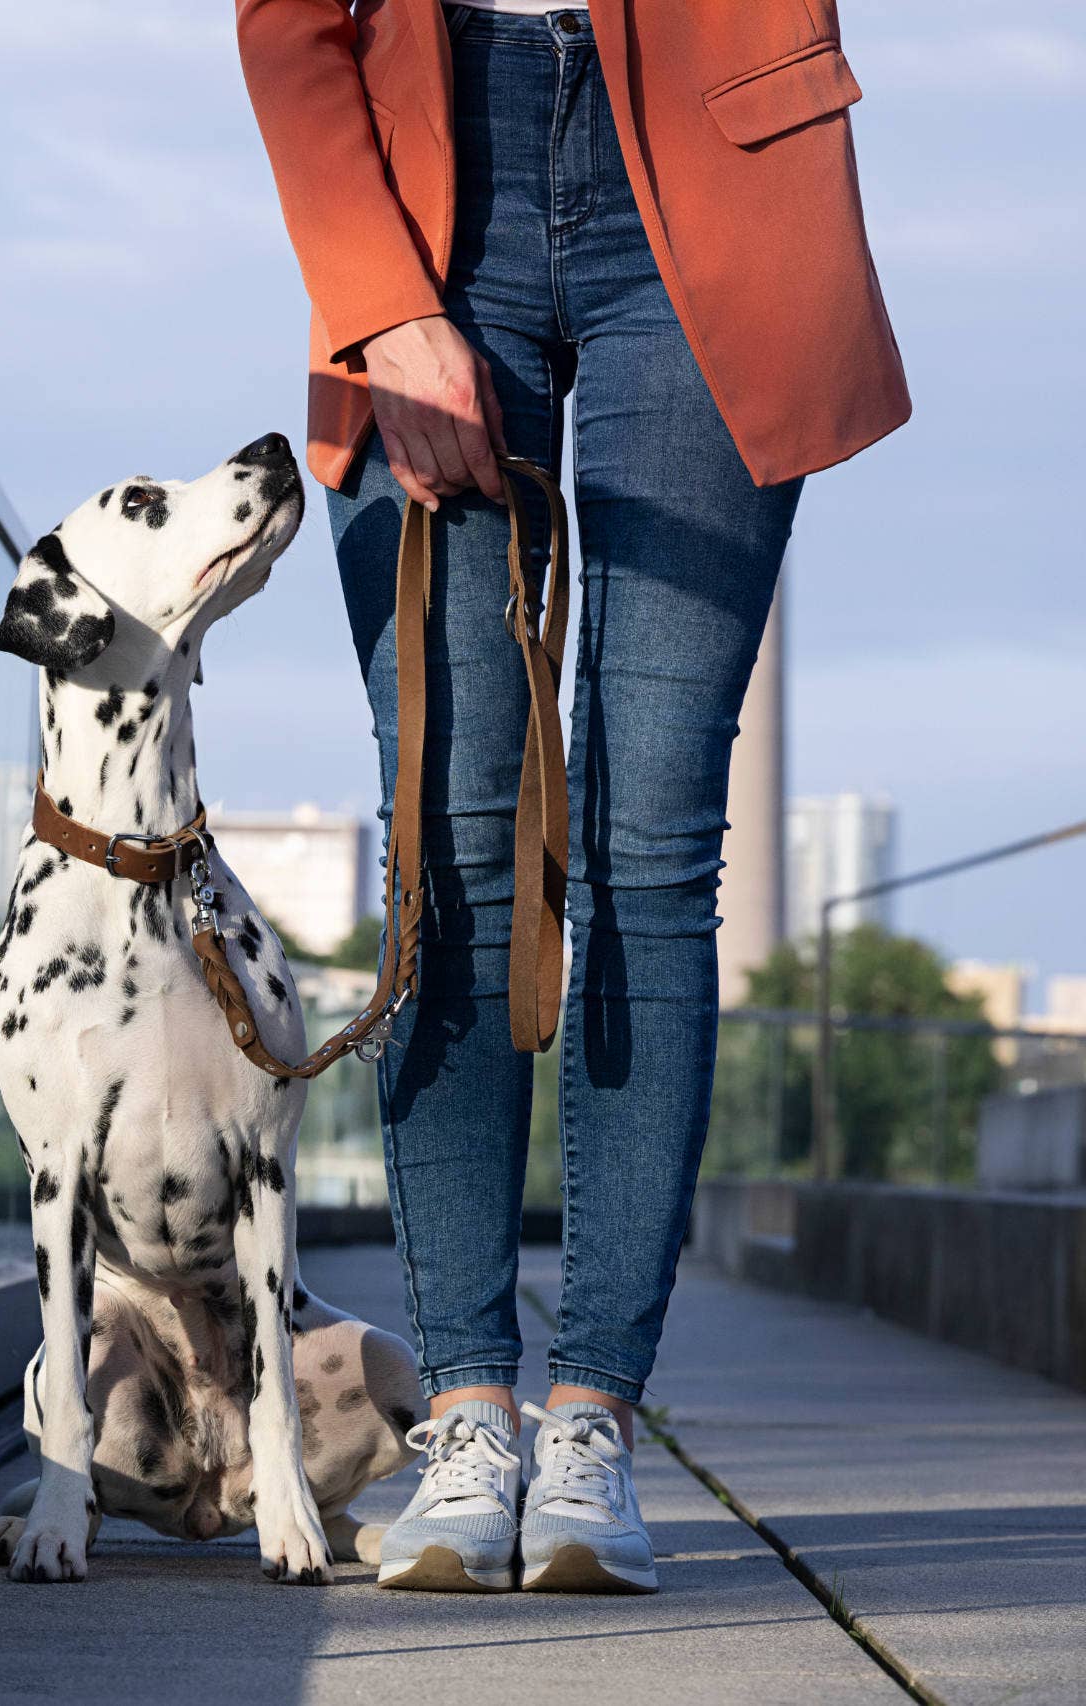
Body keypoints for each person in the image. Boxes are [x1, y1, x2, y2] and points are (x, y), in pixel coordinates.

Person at [235, 0, 905, 1592]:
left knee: (651, 849)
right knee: (450, 855)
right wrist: (384, 304)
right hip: (427, 174)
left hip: (717, 151)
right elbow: (285, 17)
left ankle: (592, 1420)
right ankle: (467, 1414)